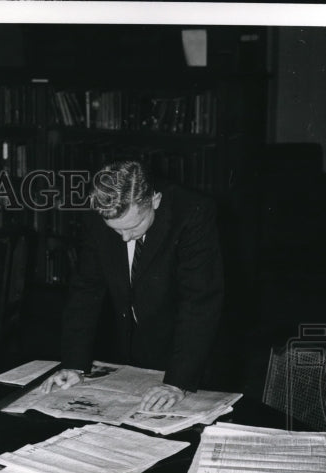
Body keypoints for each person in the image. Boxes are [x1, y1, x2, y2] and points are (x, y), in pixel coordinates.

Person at [41, 160, 224, 412]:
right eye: (116, 231)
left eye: (134, 227)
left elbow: (199, 302)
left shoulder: (193, 212)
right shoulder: (98, 213)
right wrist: (74, 365)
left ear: (155, 200)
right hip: (132, 348)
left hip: (188, 353)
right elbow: (86, 290)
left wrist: (176, 382)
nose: (125, 238)